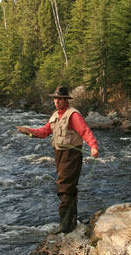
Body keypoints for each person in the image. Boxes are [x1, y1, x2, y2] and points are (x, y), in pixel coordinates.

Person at [17, 86, 99, 234]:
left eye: (60, 99)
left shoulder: (73, 115)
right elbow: (44, 132)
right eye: (55, 98)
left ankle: (65, 224)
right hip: (59, 155)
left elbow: (85, 131)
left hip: (71, 155)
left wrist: (93, 147)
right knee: (69, 188)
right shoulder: (55, 115)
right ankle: (72, 221)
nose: (57, 101)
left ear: (66, 100)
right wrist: (28, 131)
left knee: (64, 187)